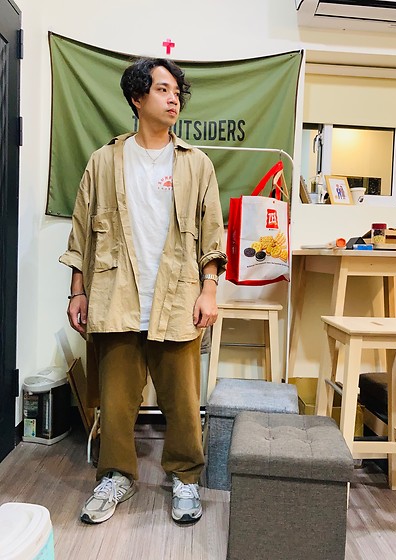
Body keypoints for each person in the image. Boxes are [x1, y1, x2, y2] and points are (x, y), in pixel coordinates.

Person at [59, 57, 227, 525]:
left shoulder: (196, 164)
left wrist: (209, 289)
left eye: (177, 92)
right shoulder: (104, 161)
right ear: (137, 98)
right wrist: (77, 292)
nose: (174, 99)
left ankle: (185, 478)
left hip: (177, 299)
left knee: (183, 403)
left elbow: (212, 232)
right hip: (115, 297)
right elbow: (81, 232)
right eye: (162, 90)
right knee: (115, 403)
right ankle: (117, 476)